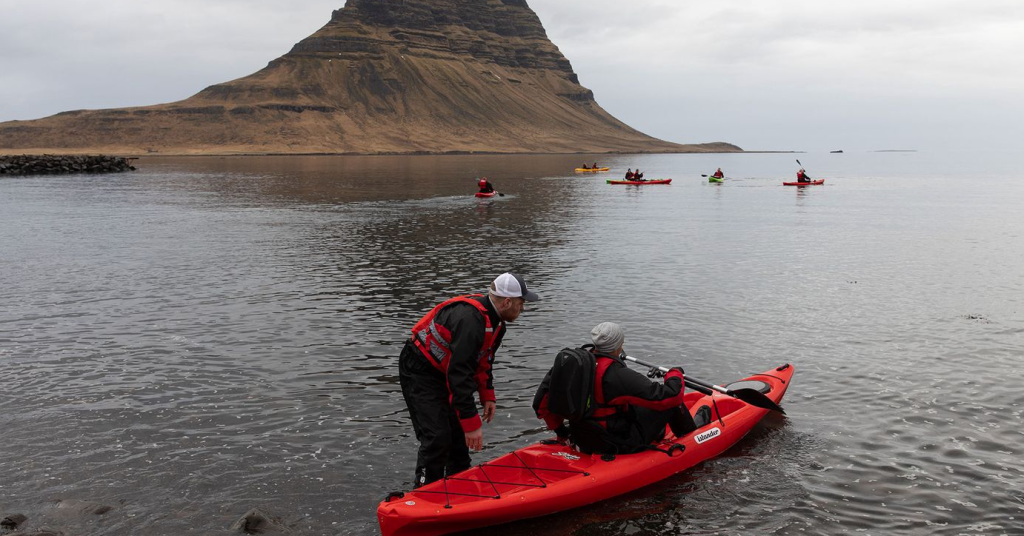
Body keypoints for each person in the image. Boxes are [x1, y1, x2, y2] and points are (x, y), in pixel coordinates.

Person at [399, 273, 540, 487]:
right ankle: (424, 492)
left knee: (457, 440)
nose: (523, 309)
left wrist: (487, 396)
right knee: (437, 437)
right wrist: (471, 423)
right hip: (420, 371)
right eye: (521, 304)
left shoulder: (497, 324)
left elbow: (483, 361)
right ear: (507, 302)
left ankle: (458, 486)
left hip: (445, 371)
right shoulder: (470, 321)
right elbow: (459, 374)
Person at [533, 322, 711, 455]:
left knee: (634, 402)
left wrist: (562, 432)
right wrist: (675, 374)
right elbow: (669, 397)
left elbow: (541, 402)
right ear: (619, 346)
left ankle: (658, 432)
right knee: (668, 404)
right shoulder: (616, 375)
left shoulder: (572, 365)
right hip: (614, 442)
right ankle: (693, 438)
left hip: (582, 436)